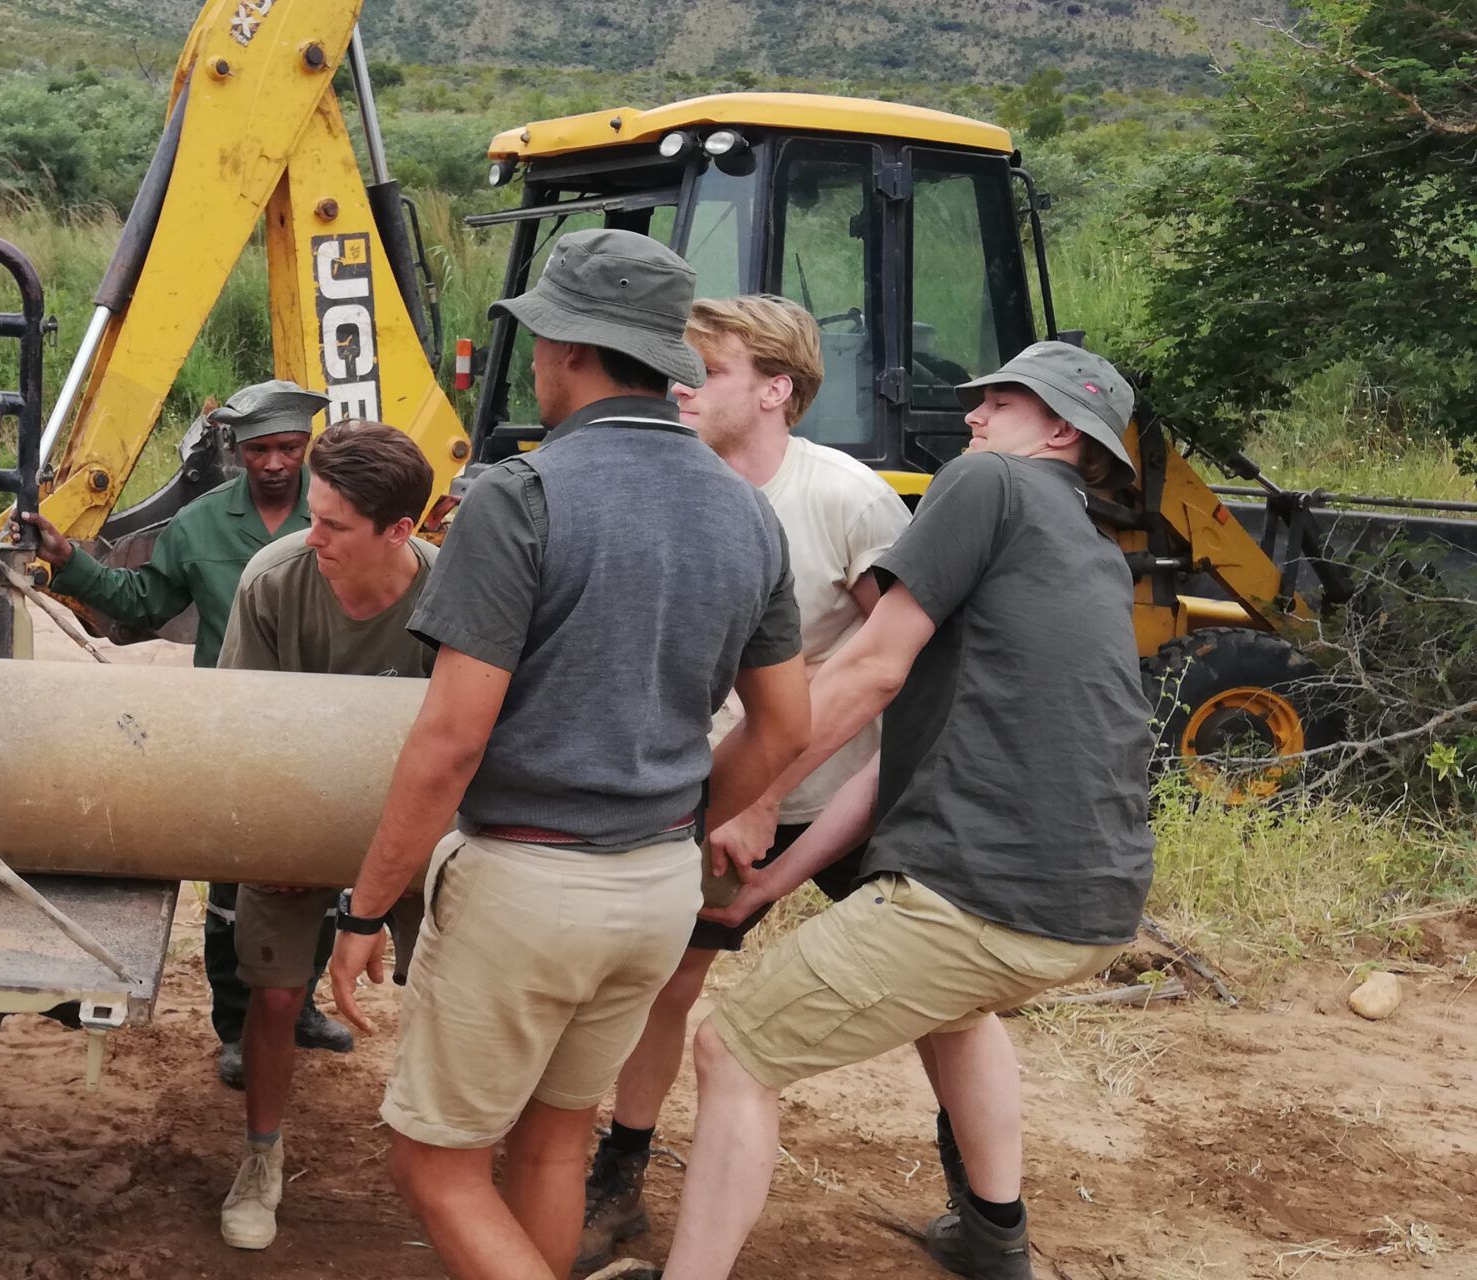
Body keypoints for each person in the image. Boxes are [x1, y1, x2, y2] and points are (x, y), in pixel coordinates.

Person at [325, 228, 811, 1280]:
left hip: (526, 881)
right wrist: (682, 819)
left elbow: (452, 738)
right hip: (652, 891)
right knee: (552, 1137)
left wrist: (365, 907)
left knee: (433, 1163)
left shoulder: (520, 495)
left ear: (566, 349)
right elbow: (785, 727)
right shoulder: (744, 513)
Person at [637, 341, 1156, 1280]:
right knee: (951, 1009)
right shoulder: (1087, 552)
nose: (974, 417)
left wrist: (705, 795)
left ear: (1061, 432)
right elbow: (898, 764)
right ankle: (994, 1240)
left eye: (1000, 401)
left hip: (984, 895)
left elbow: (868, 672)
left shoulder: (990, 483)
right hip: (1092, 907)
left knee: (735, 1048)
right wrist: (770, 886)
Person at [575, 295, 910, 1268]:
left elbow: (904, 665)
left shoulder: (845, 498)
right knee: (666, 983)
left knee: (946, 1005)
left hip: (847, 793)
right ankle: (621, 1177)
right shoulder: (681, 488)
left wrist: (802, 787)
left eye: (709, 370)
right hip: (719, 795)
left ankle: (985, 1205)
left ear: (775, 388)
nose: (683, 385)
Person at [21, 379, 355, 1088]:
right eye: (260, 449)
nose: (274, 463)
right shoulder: (199, 526)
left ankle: (298, 1006)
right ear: (235, 449)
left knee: (318, 877)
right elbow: (143, 602)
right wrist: (73, 560)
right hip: (229, 730)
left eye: (290, 448)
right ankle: (237, 1027)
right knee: (233, 892)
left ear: (307, 448)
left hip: (322, 727)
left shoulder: (335, 517)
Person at [214, 418, 439, 1251]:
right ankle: (261, 1158)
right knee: (274, 993)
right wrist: (272, 840)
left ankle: (450, 1160)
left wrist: (389, 880)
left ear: (400, 530)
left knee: (454, 986)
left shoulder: (451, 596)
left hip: (413, 826)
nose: (313, 537)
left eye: (335, 526)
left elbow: (462, 747)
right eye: (314, 514)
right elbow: (243, 727)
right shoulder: (275, 581)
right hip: (295, 810)